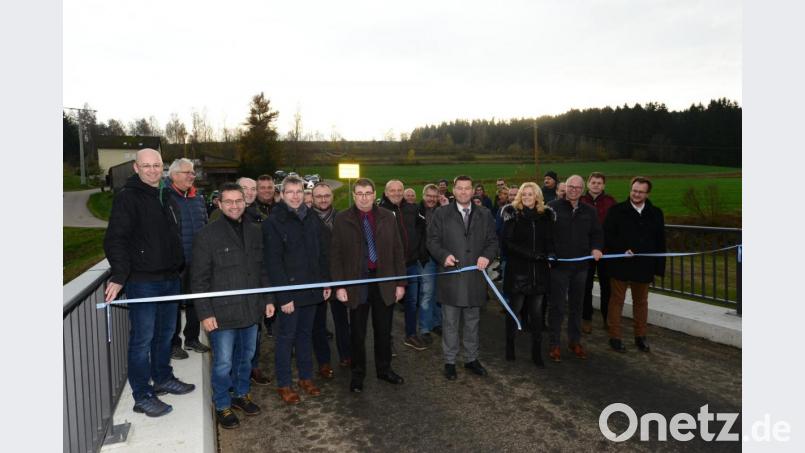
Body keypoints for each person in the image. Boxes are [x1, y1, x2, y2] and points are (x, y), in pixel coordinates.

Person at [103, 148, 194, 418]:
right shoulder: (128, 198)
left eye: (157, 165)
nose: (153, 170)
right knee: (142, 340)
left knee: (165, 335)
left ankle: (162, 377)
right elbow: (115, 239)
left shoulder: (165, 196)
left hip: (169, 279)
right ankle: (142, 395)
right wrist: (120, 275)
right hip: (143, 281)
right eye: (147, 166)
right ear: (136, 168)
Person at [191, 183, 274, 429]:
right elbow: (199, 279)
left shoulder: (255, 230)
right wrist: (205, 313)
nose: (235, 205)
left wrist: (268, 299)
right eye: (229, 201)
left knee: (246, 357)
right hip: (222, 313)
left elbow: (262, 269)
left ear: (245, 202)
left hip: (250, 309)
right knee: (224, 362)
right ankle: (222, 404)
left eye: (239, 200)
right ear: (219, 203)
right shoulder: (207, 235)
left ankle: (241, 394)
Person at [330, 178, 406, 393]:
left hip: (384, 282)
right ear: (354, 195)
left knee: (384, 331)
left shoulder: (387, 217)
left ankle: (384, 370)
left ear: (374, 195)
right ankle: (357, 374)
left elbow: (398, 251)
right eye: (359, 193)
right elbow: (335, 256)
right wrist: (339, 286)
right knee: (358, 333)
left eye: (367, 193)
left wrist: (400, 283)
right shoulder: (342, 219)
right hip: (356, 284)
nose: (364, 197)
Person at [264, 176, 331, 404]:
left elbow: (322, 254)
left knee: (305, 335)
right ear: (282, 195)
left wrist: (325, 282)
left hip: (311, 290)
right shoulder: (273, 222)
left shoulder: (312, 218)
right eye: (290, 192)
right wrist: (284, 296)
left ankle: (305, 377)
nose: (295, 196)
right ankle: (284, 383)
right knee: (286, 338)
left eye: (298, 191)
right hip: (289, 293)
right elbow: (273, 262)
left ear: (304, 194)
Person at [427, 175, 499, 380]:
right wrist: (443, 256)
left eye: (468, 188)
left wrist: (487, 255)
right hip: (451, 277)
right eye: (460, 188)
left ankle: (471, 359)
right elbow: (432, 241)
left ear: (473, 191)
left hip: (475, 278)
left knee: (473, 321)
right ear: (454, 190)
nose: (464, 192)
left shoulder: (485, 214)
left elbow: (493, 241)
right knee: (450, 322)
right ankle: (449, 361)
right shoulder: (441, 213)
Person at [603, 176, 666, 353]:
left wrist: (659, 267)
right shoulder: (616, 211)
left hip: (644, 266)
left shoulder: (656, 213)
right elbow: (607, 235)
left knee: (641, 302)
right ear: (630, 190)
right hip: (620, 263)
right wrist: (622, 249)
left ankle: (641, 337)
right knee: (616, 301)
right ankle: (615, 337)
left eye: (640, 192)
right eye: (634, 190)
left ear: (647, 193)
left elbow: (660, 241)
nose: (636, 194)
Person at [546, 175, 603, 363]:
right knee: (557, 307)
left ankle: (574, 341)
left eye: (578, 188)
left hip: (581, 268)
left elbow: (596, 234)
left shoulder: (590, 211)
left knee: (577, 307)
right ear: (565, 187)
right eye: (571, 186)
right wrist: (550, 253)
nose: (574, 190)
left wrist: (596, 248)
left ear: (582, 189)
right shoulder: (552, 207)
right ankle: (554, 343)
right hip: (559, 267)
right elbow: (546, 235)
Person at [500, 182, 555, 367]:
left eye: (530, 194)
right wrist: (530, 255)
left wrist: (551, 254)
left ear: (537, 196)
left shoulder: (545, 217)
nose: (526, 197)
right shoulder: (513, 216)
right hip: (518, 273)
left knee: (537, 315)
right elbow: (507, 244)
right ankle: (509, 347)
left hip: (539, 274)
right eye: (524, 194)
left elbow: (549, 241)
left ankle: (536, 353)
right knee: (514, 313)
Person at [166, 158, 210, 360]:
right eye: (187, 172)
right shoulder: (165, 198)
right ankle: (173, 343)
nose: (192, 176)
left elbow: (206, 226)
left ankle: (191, 338)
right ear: (174, 175)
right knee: (173, 304)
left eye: (193, 173)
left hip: (198, 261)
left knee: (195, 301)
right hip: (175, 262)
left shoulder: (198, 199)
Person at [379, 180, 428, 351]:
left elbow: (424, 227)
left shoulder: (412, 208)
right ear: (386, 192)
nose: (397, 193)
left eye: (399, 190)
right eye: (392, 190)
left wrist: (420, 251)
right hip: (390, 268)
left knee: (412, 302)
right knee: (388, 304)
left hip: (411, 264)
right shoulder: (380, 211)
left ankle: (410, 335)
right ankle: (387, 340)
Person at [310, 182, 351, 373]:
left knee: (342, 319)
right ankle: (324, 362)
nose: (323, 199)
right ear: (312, 198)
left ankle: (346, 355)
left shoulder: (342, 218)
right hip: (316, 278)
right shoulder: (306, 219)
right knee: (318, 323)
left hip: (338, 277)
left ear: (332, 197)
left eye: (326, 195)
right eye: (319, 196)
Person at [580, 172, 617, 334]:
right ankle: (586, 318)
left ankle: (607, 318)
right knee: (585, 286)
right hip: (585, 252)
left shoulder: (610, 202)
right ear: (588, 184)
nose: (596, 185)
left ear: (604, 185)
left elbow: (616, 226)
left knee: (607, 287)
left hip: (606, 252)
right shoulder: (580, 201)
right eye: (593, 182)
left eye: (599, 183)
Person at [417, 184, 443, 343]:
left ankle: (437, 323)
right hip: (426, 258)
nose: (432, 199)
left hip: (441, 258)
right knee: (427, 292)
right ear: (424, 195)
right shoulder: (416, 212)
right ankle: (425, 328)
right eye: (429, 196)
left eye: (435, 196)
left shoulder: (444, 211)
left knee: (438, 293)